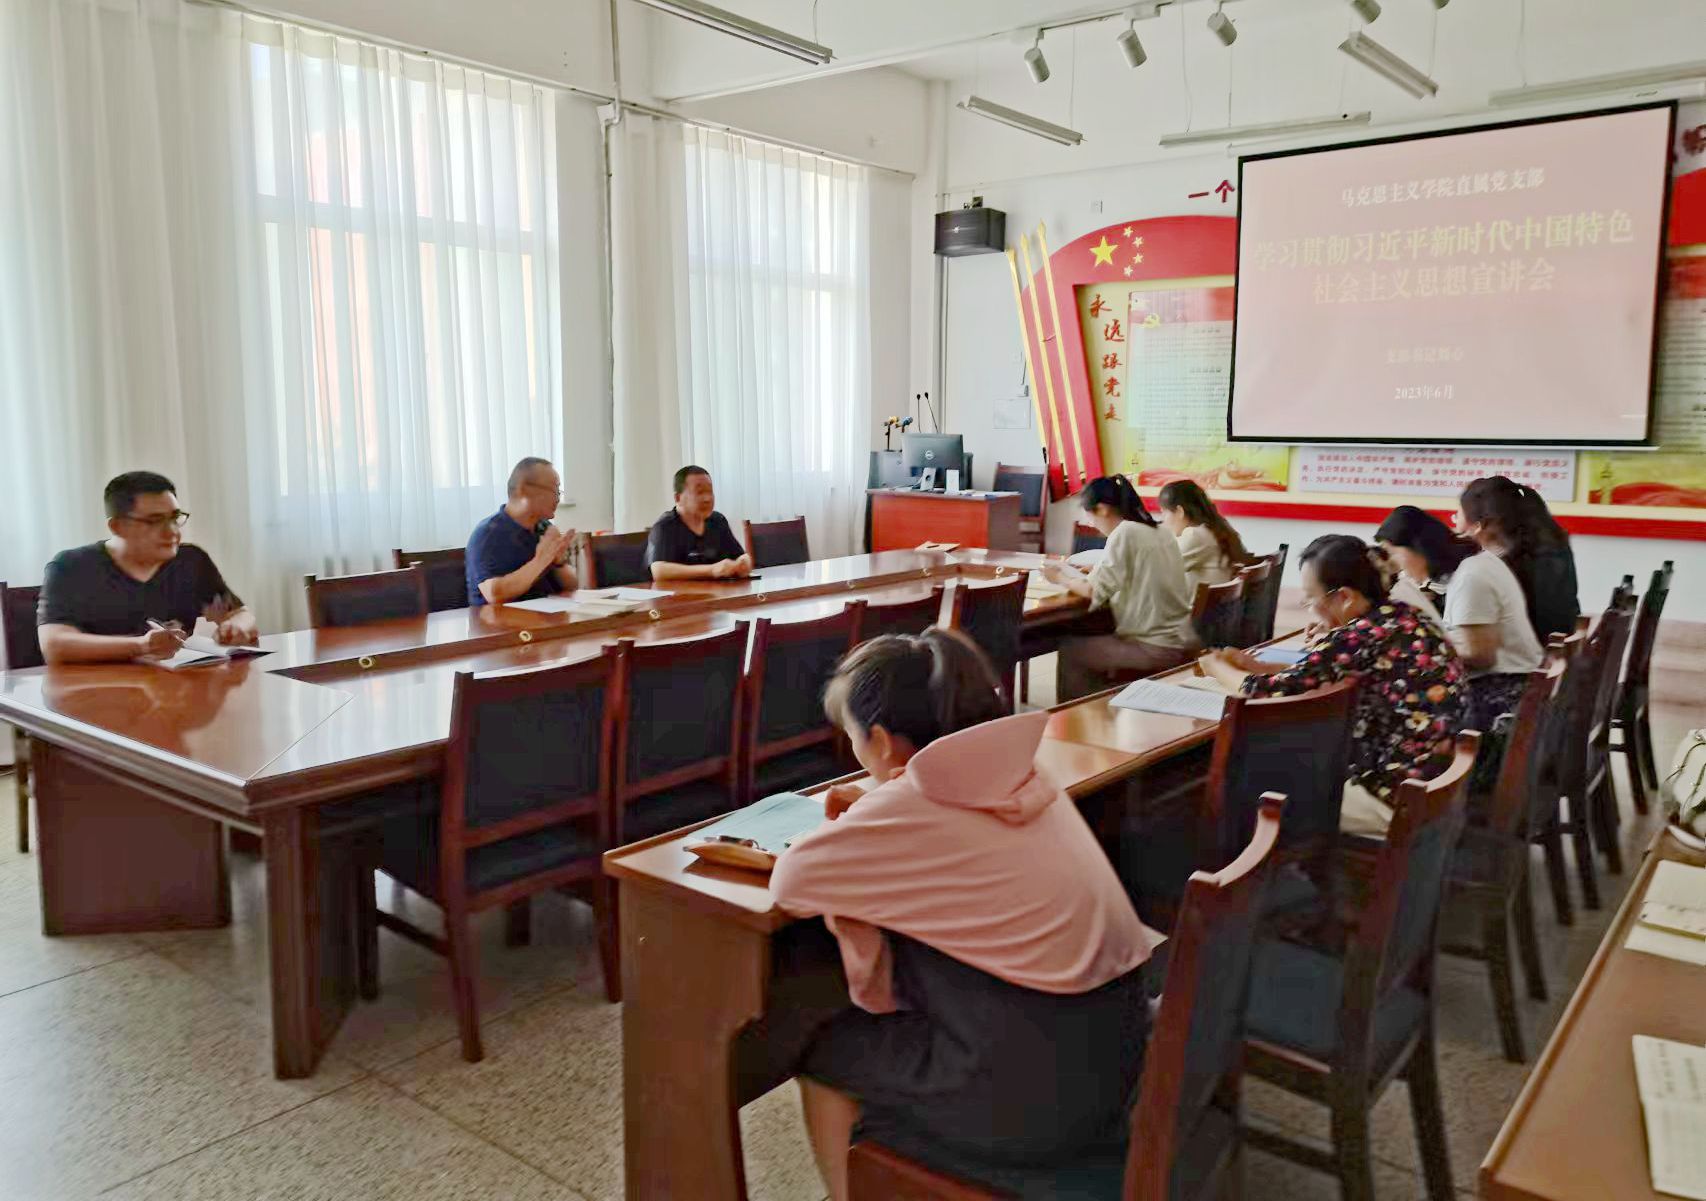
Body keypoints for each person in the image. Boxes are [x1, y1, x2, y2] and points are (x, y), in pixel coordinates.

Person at [769, 629, 1163, 1200]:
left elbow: (793, 880)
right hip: (1117, 1058)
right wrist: (879, 810)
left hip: (1037, 1106)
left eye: (851, 737)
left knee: (826, 1050)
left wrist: (869, 815)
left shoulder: (914, 802)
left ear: (880, 742)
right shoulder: (1022, 773)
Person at [1201, 534, 1467, 837]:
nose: (1309, 609)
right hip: (1429, 784)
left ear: (1344, 597)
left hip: (1391, 795)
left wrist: (1216, 667)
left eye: (1310, 599)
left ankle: (1259, 864)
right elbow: (1322, 672)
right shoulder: (1404, 616)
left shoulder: (1359, 636)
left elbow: (1265, 694)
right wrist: (1257, 666)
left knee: (1241, 789)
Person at [37, 471, 258, 665]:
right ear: (117, 526)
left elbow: (239, 614)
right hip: (95, 690)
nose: (172, 531)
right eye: (154, 521)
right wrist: (141, 646)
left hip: (176, 686)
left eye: (174, 518)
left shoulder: (191, 561)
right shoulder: (71, 567)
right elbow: (54, 646)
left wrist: (236, 627)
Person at [1041, 474, 1198, 701]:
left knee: (1072, 649)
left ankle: (1076, 716)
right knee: (1096, 633)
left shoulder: (1125, 532)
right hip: (1183, 641)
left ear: (1103, 509)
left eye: (1090, 515)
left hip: (1156, 649)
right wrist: (1095, 570)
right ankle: (1099, 707)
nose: (1091, 523)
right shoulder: (1160, 530)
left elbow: (1092, 591)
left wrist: (1059, 577)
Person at [1448, 482, 1547, 734]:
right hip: (1527, 684)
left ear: (1478, 525)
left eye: (1457, 514)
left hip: (1501, 698)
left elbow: (1481, 656)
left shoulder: (1476, 572)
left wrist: (1435, 650)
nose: (1453, 522)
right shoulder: (1496, 561)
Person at [1458, 476, 1580, 642]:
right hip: (1555, 648)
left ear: (1478, 525)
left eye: (1458, 514)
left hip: (1521, 654)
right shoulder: (1554, 548)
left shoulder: (1495, 566)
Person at [465, 457, 577, 607]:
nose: (557, 498)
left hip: (545, 615)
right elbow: (494, 594)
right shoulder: (487, 534)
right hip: (500, 620)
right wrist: (541, 561)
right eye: (553, 490)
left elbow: (572, 585)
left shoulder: (544, 528)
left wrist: (558, 562)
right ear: (523, 490)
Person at [645, 465, 753, 581]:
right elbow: (659, 571)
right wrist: (711, 570)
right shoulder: (665, 526)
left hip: (716, 590)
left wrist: (744, 562)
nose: (707, 499)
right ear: (678, 498)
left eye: (710, 492)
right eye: (699, 492)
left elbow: (740, 555)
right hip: (678, 592)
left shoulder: (717, 520)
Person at [1373, 505, 1475, 622]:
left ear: (1419, 547)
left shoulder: (1466, 580)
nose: (1394, 563)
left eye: (1392, 552)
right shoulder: (1409, 582)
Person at [1156, 478, 1252, 592]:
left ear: (1180, 511)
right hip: (1215, 601)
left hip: (1199, 603)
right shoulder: (1214, 529)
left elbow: (1159, 569)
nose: (1162, 519)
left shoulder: (1195, 535)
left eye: (1164, 512)